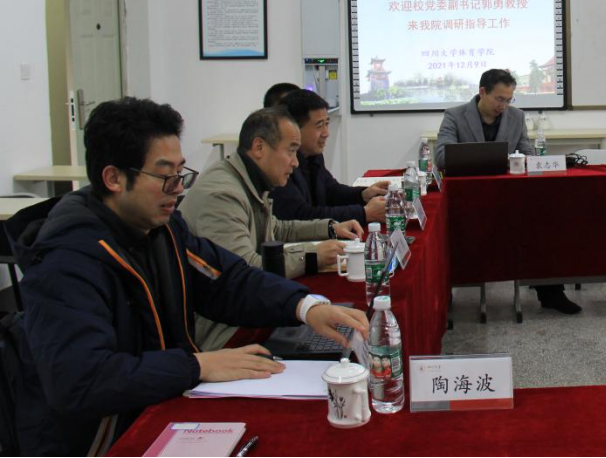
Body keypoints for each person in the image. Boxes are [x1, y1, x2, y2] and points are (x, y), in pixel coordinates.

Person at [6, 97, 367, 456]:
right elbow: (81, 380)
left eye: (180, 173)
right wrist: (196, 366)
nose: (178, 188)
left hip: (160, 402)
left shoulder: (160, 228)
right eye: (165, 176)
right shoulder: (66, 261)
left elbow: (226, 281)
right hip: (103, 438)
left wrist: (305, 307)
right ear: (114, 178)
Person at [180, 106, 363, 349]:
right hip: (222, 333)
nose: (295, 163)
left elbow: (277, 229)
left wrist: (330, 228)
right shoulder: (222, 194)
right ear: (259, 148)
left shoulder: (249, 179)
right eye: (291, 150)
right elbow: (246, 271)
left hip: (243, 313)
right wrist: (313, 255)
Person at [435, 69, 580, 314]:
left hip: (510, 198)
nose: (503, 106)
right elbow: (441, 157)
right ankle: (444, 295)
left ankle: (551, 293)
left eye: (508, 100)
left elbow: (527, 153)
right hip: (468, 201)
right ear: (482, 92)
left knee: (542, 226)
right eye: (499, 99)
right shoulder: (455, 116)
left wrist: (529, 160)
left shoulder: (516, 116)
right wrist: (494, 158)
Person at [271, 89, 388, 225]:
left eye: (327, 123)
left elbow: (330, 191)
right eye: (319, 126)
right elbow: (301, 215)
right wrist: (364, 213)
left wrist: (363, 194)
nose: (326, 133)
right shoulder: (280, 163)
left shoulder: (313, 156)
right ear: (295, 128)